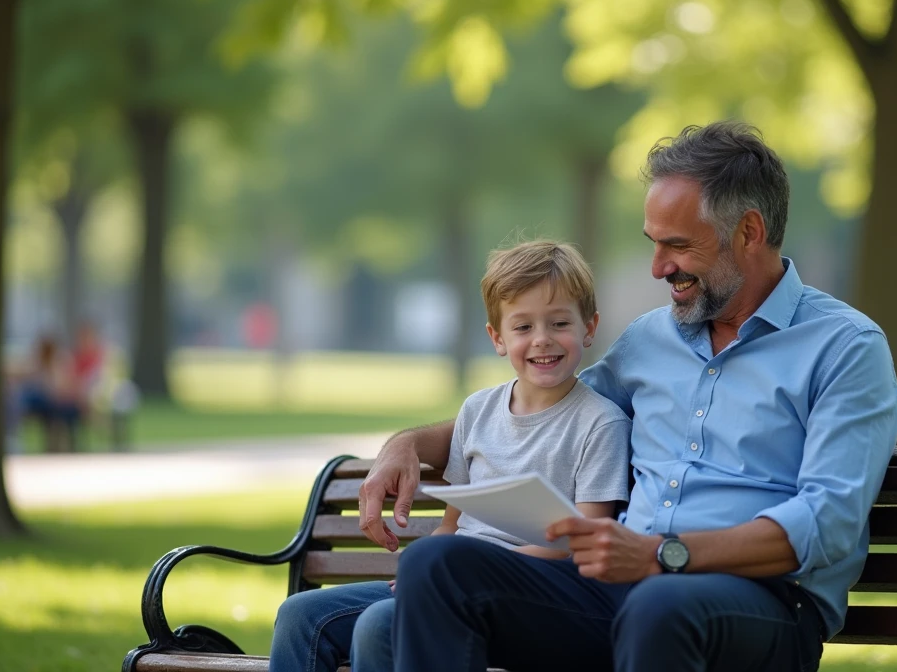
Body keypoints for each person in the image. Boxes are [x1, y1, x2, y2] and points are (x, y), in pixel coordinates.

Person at [339, 120, 897, 672]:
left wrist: (663, 555)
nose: (659, 268)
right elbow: (552, 404)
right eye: (653, 245)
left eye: (677, 246)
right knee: (440, 563)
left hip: (764, 602)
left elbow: (827, 521)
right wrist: (407, 444)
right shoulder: (651, 339)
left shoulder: (846, 348)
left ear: (749, 232)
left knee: (661, 605)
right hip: (621, 589)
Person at [269, 240, 632, 672]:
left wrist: (457, 571)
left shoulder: (600, 423)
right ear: (496, 337)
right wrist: (421, 569)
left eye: (559, 323)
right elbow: (452, 525)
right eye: (523, 328)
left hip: (529, 589)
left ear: (589, 328)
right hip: (450, 576)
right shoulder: (477, 411)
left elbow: (586, 540)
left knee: (379, 625)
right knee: (300, 616)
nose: (542, 340)